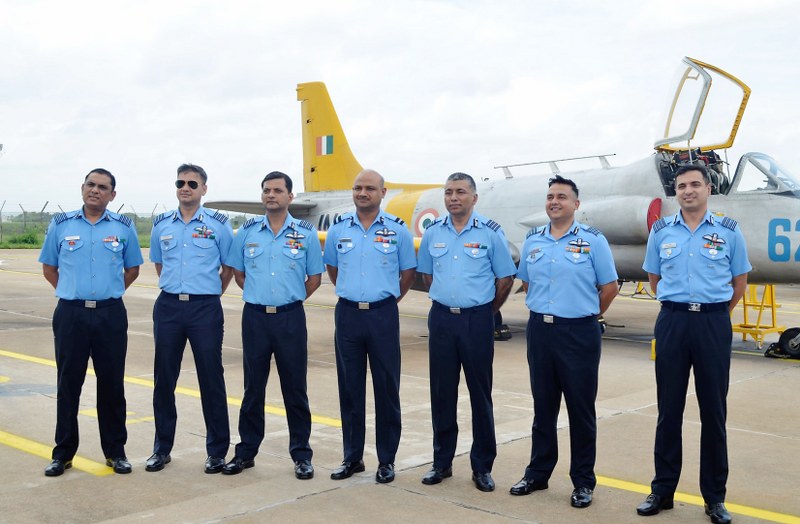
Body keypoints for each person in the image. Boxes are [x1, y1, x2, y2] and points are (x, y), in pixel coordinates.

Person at [637, 164, 750, 524]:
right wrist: (681, 306)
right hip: (672, 321)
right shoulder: (661, 232)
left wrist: (712, 311)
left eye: (695, 184)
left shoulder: (729, 232)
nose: (688, 191)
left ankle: (714, 498)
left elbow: (739, 280)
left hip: (713, 324)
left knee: (713, 412)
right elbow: (654, 278)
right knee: (668, 410)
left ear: (708, 189)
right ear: (676, 193)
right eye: (682, 186)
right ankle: (663, 490)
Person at [509, 175, 619, 508]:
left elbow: (610, 287)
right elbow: (526, 283)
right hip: (541, 332)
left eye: (562, 196)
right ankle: (537, 474)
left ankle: (583, 481)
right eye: (550, 196)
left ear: (576, 204)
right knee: (543, 408)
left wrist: (585, 315)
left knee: (580, 410)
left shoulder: (593, 240)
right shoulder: (533, 240)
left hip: (579, 334)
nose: (554, 201)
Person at [38, 168, 143, 476]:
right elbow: (49, 268)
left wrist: (108, 293)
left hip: (110, 314)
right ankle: (63, 453)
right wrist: (72, 293)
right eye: (90, 184)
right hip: (71, 314)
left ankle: (115, 452)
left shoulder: (124, 226)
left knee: (112, 385)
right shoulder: (61, 224)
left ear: (112, 195)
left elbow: (132, 269)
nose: (95, 190)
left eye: (103, 187)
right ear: (82, 188)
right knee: (68, 384)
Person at [416, 172, 516, 492]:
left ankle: (482, 466)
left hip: (476, 322)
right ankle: (441, 462)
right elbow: (428, 277)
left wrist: (485, 311)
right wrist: (449, 303)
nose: (453, 198)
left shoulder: (490, 233)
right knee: (442, 393)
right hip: (442, 320)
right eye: (448, 192)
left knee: (479, 394)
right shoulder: (433, 234)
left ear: (474, 198)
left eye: (460, 192)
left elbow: (505, 279)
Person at [222, 171, 323, 480]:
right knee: (253, 388)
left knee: (295, 388)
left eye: (278, 190)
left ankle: (301, 455)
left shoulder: (304, 233)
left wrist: (289, 301)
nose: (271, 195)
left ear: (290, 197)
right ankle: (246, 452)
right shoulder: (247, 232)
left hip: (291, 318)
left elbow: (315, 278)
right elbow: (239, 274)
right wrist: (261, 297)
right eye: (266, 190)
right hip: (255, 318)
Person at [323, 169, 416, 484]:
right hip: (348, 314)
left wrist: (383, 301)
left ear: (383, 192)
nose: (363, 193)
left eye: (370, 188)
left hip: (382, 315)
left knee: (386, 389)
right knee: (349, 389)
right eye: (358, 188)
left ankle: (386, 460)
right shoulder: (338, 230)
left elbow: (407, 275)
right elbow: (333, 270)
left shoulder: (398, 230)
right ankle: (352, 457)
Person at [146, 164, 234, 474]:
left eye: (192, 184)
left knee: (211, 379)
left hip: (204, 309)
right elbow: (159, 264)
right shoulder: (162, 225)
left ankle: (217, 452)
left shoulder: (219, 225)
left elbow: (228, 268)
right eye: (181, 182)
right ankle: (161, 449)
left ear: (204, 189)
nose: (186, 187)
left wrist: (207, 294)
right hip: (169, 307)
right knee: (164, 379)